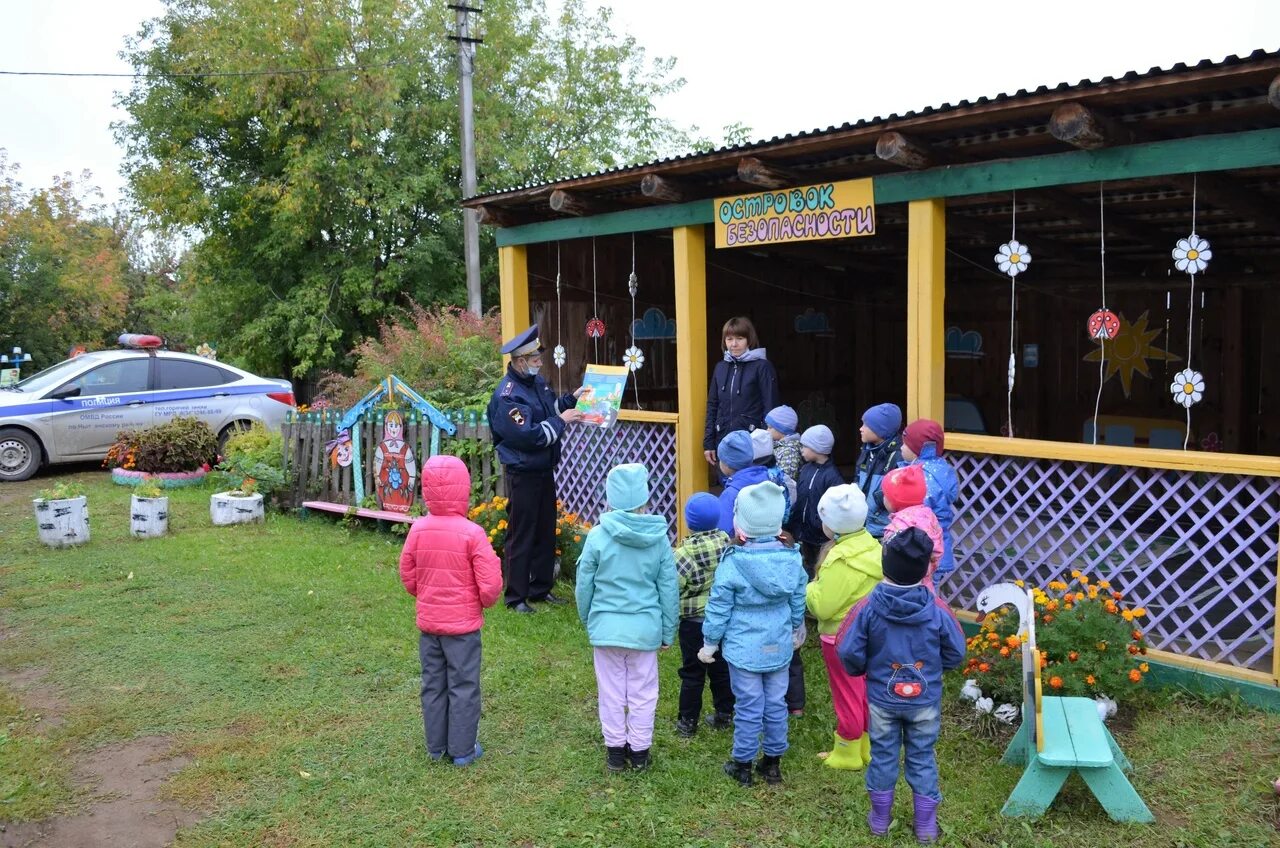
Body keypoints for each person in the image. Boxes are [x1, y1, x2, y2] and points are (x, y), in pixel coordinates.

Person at [837, 527, 966, 843]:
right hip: (924, 701)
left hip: (882, 699)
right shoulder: (936, 609)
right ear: (924, 569)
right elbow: (957, 650)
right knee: (922, 755)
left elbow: (847, 649)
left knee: (883, 754)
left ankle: (881, 818)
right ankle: (925, 825)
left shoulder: (867, 607)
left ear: (885, 566)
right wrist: (936, 670)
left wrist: (861, 669)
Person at [700, 481, 807, 787]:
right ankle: (772, 764)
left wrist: (710, 642)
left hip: (743, 648)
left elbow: (718, 607)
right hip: (778, 644)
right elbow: (798, 599)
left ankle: (742, 764)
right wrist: (795, 628)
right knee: (775, 702)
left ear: (742, 523)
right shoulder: (792, 558)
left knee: (748, 705)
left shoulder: (733, 561)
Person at [398, 455, 503, 766]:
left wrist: (424, 593)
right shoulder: (473, 533)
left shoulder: (418, 529)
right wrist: (485, 601)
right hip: (462, 629)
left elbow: (407, 572)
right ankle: (462, 750)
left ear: (427, 489)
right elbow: (490, 584)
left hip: (430, 627)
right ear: (464, 490)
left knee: (433, 684)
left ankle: (436, 747)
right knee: (464, 686)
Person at [575, 463, 679, 773]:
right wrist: (667, 632)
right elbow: (668, 588)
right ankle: (640, 752)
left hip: (606, 628)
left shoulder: (596, 536)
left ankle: (615, 753)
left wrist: (588, 618)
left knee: (610, 691)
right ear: (645, 498)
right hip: (645, 630)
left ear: (609, 497)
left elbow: (584, 584)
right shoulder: (659, 538)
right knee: (643, 692)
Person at [487, 326, 583, 613]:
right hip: (523, 473)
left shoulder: (536, 383)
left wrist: (571, 399)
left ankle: (541, 589)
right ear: (519, 361)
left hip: (543, 470)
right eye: (536, 360)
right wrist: (563, 421)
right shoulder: (507, 396)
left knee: (545, 530)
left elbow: (549, 408)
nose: (540, 363)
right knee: (522, 533)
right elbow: (531, 436)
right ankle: (516, 596)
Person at [805, 483, 880, 770]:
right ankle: (866, 746)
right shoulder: (873, 547)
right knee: (864, 689)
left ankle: (847, 750)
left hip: (839, 636)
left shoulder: (840, 559)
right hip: (870, 634)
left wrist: (810, 588)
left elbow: (823, 605)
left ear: (833, 525)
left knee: (846, 691)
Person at [673, 492, 734, 737]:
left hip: (693, 624)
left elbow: (673, 588)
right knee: (722, 668)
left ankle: (687, 722)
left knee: (692, 671)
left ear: (689, 522)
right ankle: (725, 713)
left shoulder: (683, 555)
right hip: (723, 621)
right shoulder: (728, 546)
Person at [703, 317, 779, 466]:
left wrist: (764, 440)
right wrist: (708, 443)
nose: (734, 344)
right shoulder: (720, 367)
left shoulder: (762, 367)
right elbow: (712, 405)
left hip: (752, 442)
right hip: (724, 440)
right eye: (729, 339)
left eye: (740, 338)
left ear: (749, 340)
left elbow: (770, 407)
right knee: (727, 484)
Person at [899, 419, 960, 582]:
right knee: (931, 591)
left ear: (919, 449)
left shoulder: (920, 477)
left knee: (921, 591)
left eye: (905, 444)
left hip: (922, 549)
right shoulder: (943, 470)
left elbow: (913, 512)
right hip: (939, 545)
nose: (901, 447)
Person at [786, 424, 844, 576]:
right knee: (806, 566)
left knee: (820, 568)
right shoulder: (805, 469)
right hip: (803, 532)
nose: (801, 450)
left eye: (805, 446)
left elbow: (834, 507)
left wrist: (820, 523)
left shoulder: (832, 476)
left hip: (820, 535)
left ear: (817, 449)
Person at [881, 465, 944, 591]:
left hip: (900, 591)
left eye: (885, 494)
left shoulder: (897, 528)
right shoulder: (929, 515)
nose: (882, 498)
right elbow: (937, 551)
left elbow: (888, 562)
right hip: (926, 587)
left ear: (896, 500)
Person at [854, 403, 904, 539]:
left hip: (881, 529)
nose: (861, 429)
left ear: (880, 430)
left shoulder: (897, 457)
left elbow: (898, 494)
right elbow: (857, 478)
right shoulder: (866, 451)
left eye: (866, 425)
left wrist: (877, 500)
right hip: (862, 524)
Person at [714, 430, 770, 537]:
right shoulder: (767, 480)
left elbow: (723, 531)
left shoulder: (730, 494)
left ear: (727, 464)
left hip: (740, 549)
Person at [764, 405, 802, 481]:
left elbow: (785, 480)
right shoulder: (778, 445)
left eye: (770, 427)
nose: (767, 430)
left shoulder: (790, 452)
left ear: (782, 429)